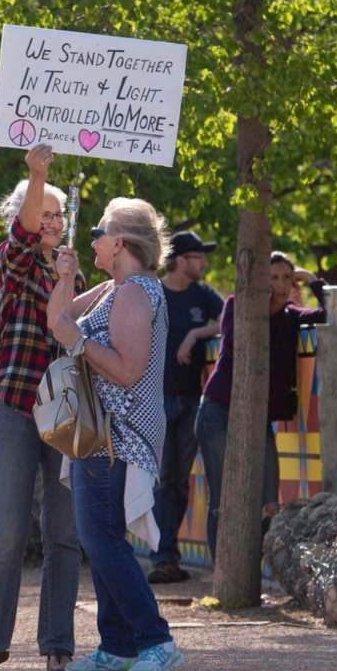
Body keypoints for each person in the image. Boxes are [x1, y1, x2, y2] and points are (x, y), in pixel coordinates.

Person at [0, 144, 83, 671]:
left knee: (63, 533)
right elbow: (24, 234)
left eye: (60, 215)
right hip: (15, 404)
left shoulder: (73, 272)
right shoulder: (12, 258)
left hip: (66, 415)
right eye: (44, 214)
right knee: (9, 530)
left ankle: (57, 644)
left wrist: (71, 281)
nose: (51, 222)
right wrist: (38, 174)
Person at [48, 198, 183, 671]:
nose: (92, 241)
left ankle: (154, 638)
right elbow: (56, 320)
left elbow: (127, 370)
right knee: (100, 536)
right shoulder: (115, 288)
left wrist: (80, 343)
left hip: (116, 433)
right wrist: (65, 277)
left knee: (101, 538)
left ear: (121, 242)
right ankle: (117, 645)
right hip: (97, 431)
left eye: (99, 233)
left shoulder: (133, 294)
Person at [198, 252, 330, 559]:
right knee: (223, 498)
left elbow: (335, 316)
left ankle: (255, 573)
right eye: (273, 277)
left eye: (287, 278)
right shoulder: (236, 306)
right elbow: (235, 345)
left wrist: (311, 279)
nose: (281, 285)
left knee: (270, 499)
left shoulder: (293, 317)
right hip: (219, 410)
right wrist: (270, 305)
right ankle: (224, 577)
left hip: (259, 418)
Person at [149, 230, 223, 584]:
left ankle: (170, 556)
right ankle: (162, 558)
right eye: (198, 257)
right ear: (178, 259)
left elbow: (231, 319)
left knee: (179, 482)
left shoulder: (202, 295)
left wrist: (196, 334)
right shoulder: (154, 293)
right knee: (162, 481)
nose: (203, 264)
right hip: (156, 401)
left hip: (191, 400)